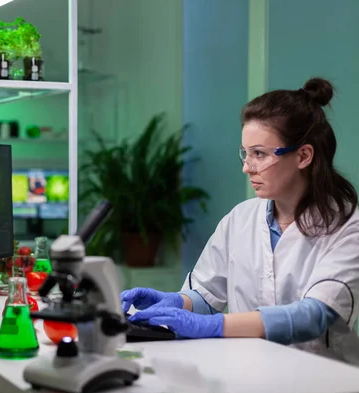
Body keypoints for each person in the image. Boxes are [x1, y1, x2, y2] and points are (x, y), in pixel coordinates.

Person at [121, 77, 359, 365]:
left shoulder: (347, 226)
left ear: (303, 156)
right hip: (249, 371)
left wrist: (217, 326)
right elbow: (207, 296)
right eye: (245, 154)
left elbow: (315, 315)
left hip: (326, 380)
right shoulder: (241, 218)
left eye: (259, 154)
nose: (247, 167)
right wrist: (174, 302)